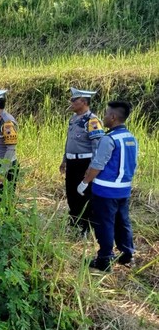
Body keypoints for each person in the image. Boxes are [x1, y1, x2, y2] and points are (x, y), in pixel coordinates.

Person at [79, 100, 138, 272]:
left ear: (113, 117)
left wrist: (84, 183)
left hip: (105, 190)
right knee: (123, 221)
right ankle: (127, 254)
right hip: (124, 189)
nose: (103, 117)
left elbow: (97, 165)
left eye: (106, 114)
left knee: (105, 224)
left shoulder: (109, 139)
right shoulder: (131, 138)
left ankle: (104, 259)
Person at [60, 87, 105, 236]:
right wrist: (65, 160)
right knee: (71, 193)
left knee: (84, 195)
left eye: (74, 100)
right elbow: (69, 142)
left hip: (85, 163)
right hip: (72, 162)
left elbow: (98, 146)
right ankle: (74, 224)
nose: (71, 102)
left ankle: (86, 227)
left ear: (84, 102)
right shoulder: (73, 119)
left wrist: (92, 167)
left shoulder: (92, 120)